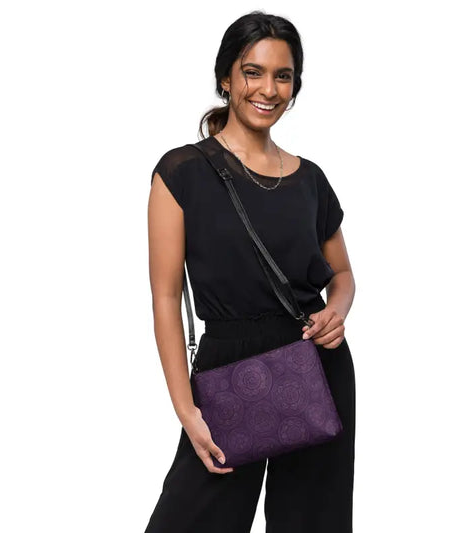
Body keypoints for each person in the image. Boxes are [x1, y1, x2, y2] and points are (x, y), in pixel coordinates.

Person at [144, 10, 356, 533]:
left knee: (312, 523)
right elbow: (166, 298)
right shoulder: (181, 172)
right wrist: (186, 409)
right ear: (226, 78)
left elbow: (343, 275)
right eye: (252, 72)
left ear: (295, 87)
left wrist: (336, 311)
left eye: (283, 76)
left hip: (315, 364)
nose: (268, 89)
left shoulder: (311, 179)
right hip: (228, 368)